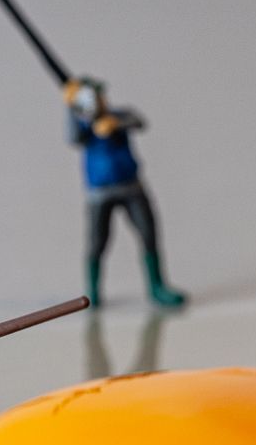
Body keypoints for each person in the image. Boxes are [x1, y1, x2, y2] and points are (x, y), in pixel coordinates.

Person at [66, 77, 185, 309]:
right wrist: (70, 109)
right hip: (99, 193)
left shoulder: (119, 115)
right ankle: (93, 292)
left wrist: (115, 124)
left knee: (148, 233)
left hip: (131, 187)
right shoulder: (83, 125)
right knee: (98, 242)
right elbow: (74, 138)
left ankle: (157, 287)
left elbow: (138, 121)